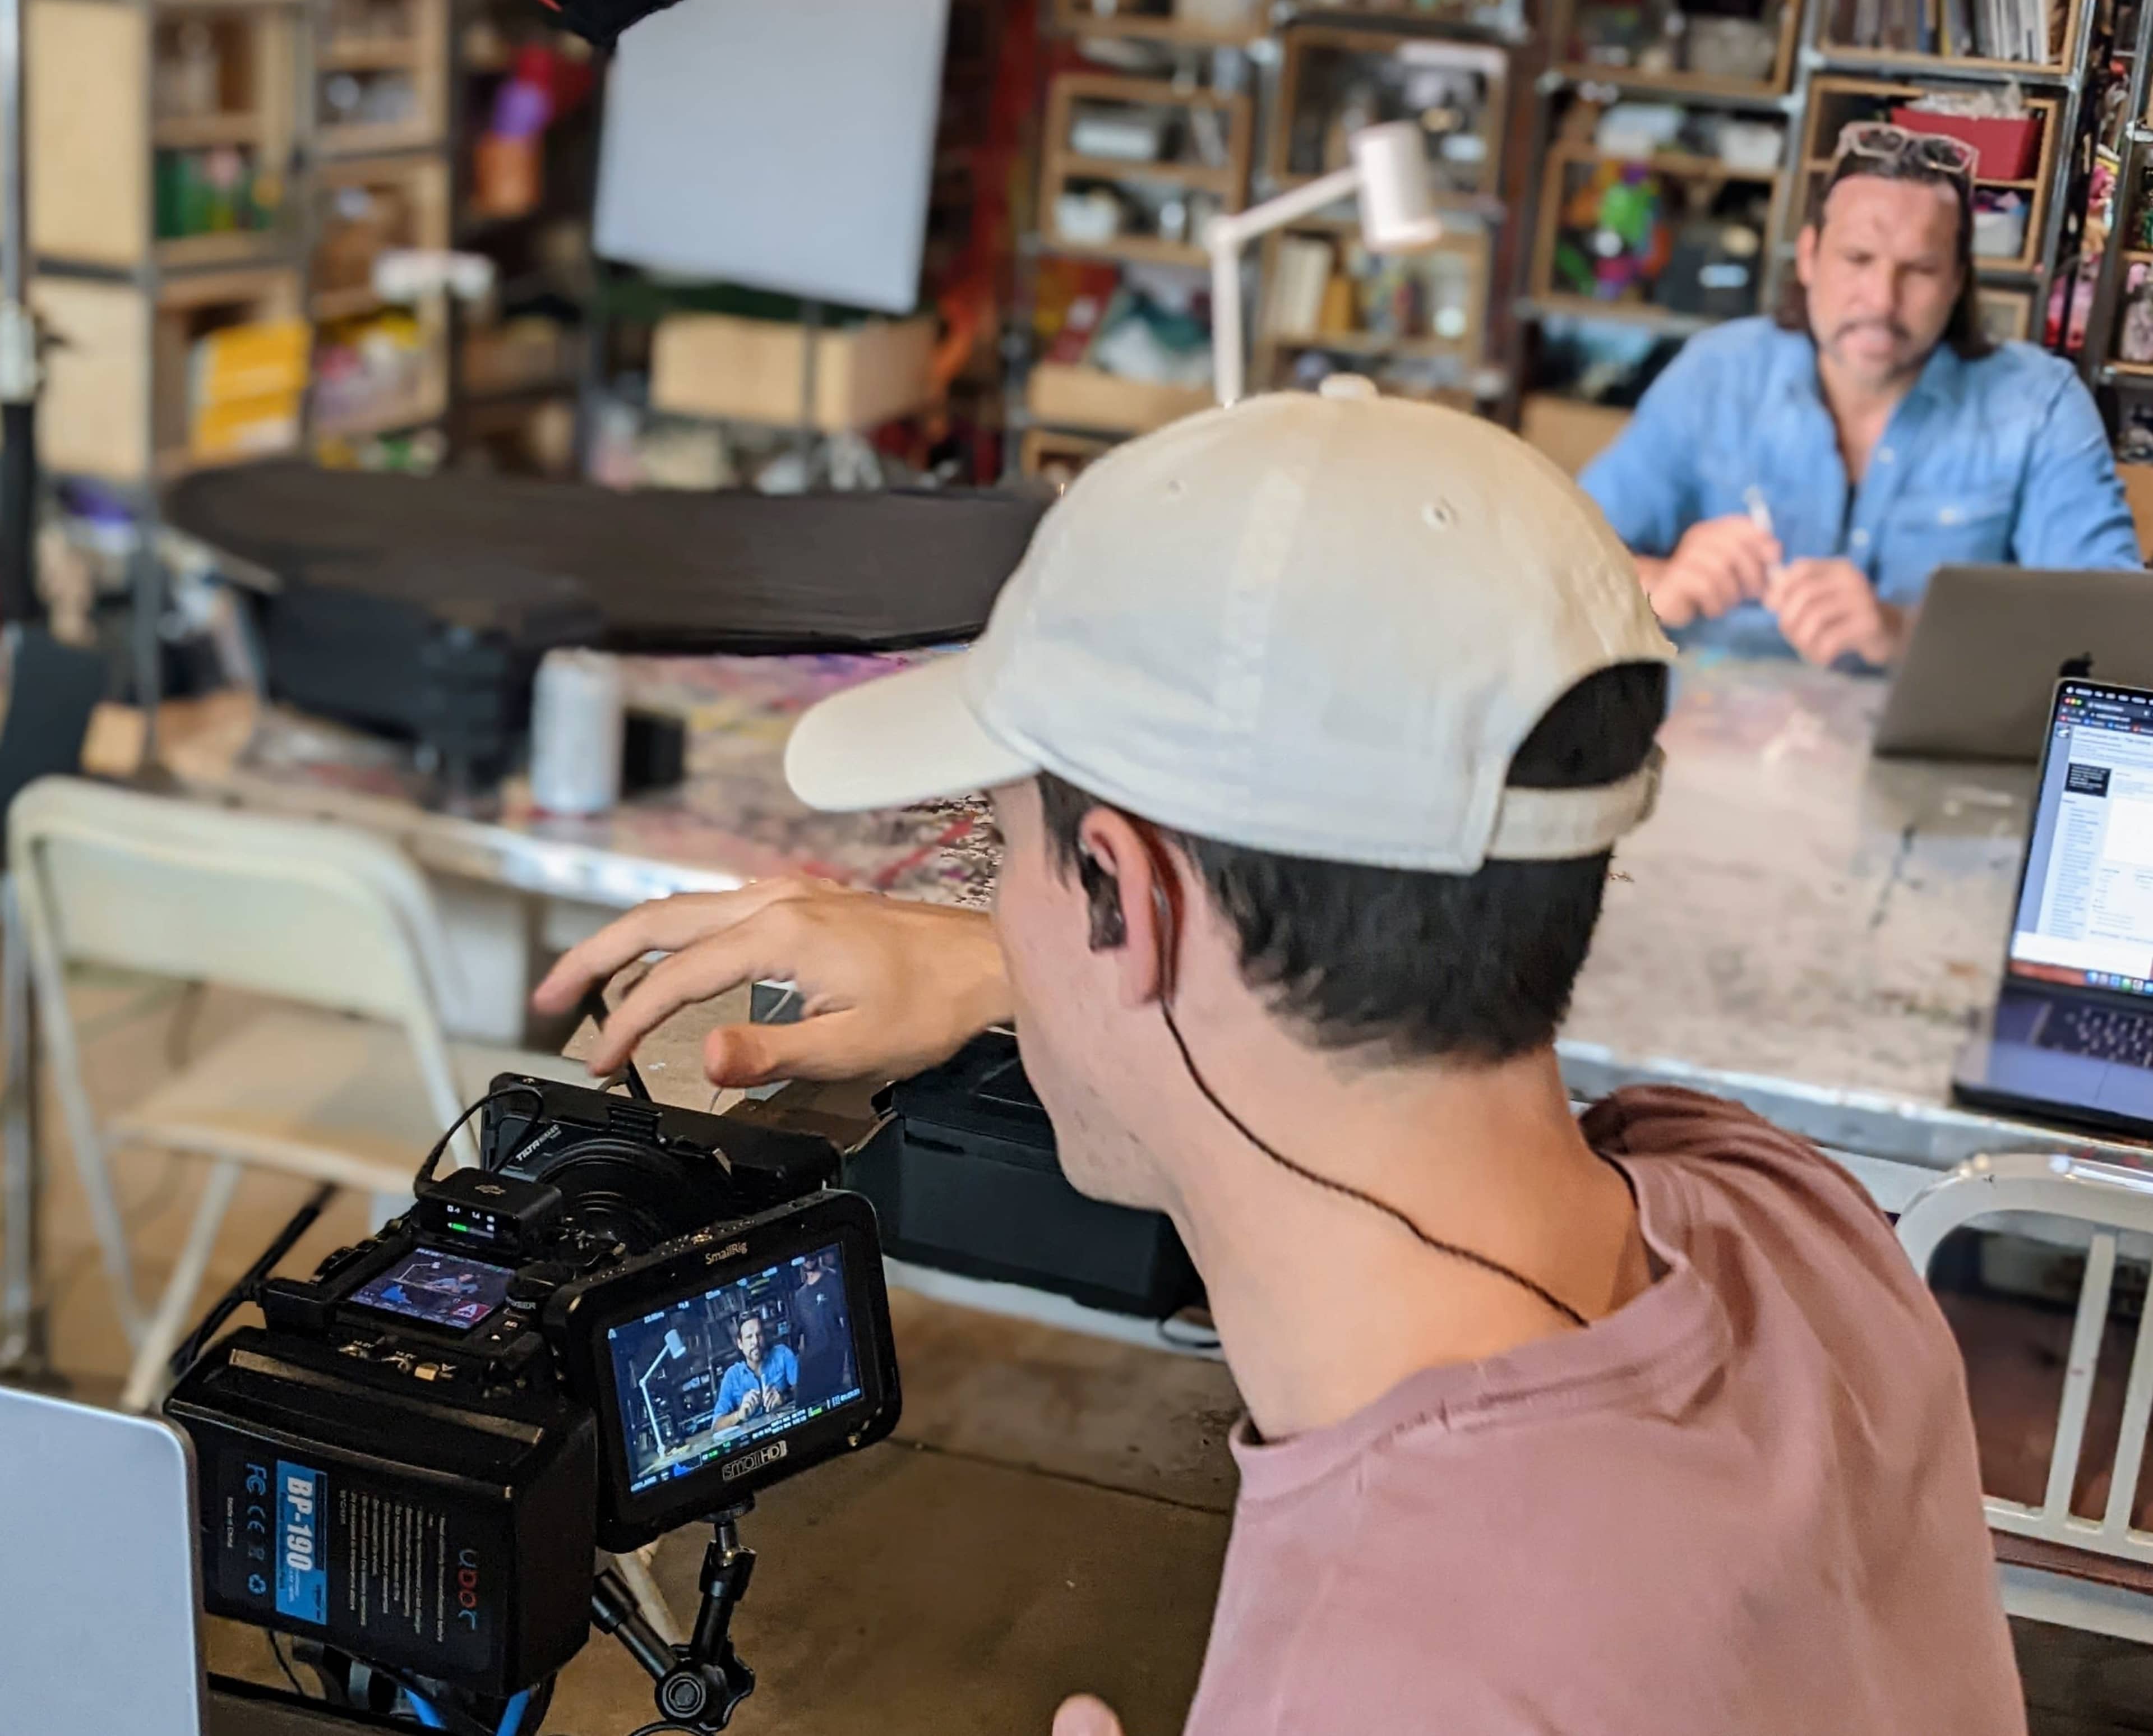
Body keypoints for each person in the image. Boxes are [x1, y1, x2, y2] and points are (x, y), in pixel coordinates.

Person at [536, 384, 2020, 1735]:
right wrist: (1022, 959)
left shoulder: (1369, 1674)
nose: (991, 903)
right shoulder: (1793, 1213)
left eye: (1000, 851)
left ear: (1135, 901)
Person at [1581, 122, 2140, 667]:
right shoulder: (1716, 373)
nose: (1880, 299)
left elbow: (2115, 636)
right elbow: (1557, 559)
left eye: (1920, 269)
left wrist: (1908, 633)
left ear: (1956, 280)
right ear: (1808, 257)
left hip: (1930, 750)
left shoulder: (2039, 405)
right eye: (1857, 259)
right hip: (1710, 736)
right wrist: (1659, 585)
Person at [711, 1315, 797, 1434]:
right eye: (749, 1337)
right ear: (740, 1344)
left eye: (759, 1335)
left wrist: (784, 1397)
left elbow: (807, 1389)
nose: (755, 1342)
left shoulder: (783, 1354)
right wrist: (739, 1415)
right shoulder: (732, 1376)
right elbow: (716, 1426)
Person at [790, 1253, 850, 1406]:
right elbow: (798, 1335)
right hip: (815, 1369)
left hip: (837, 1364)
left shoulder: (833, 1280)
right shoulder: (800, 1297)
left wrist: (847, 1367)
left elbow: (846, 1323)